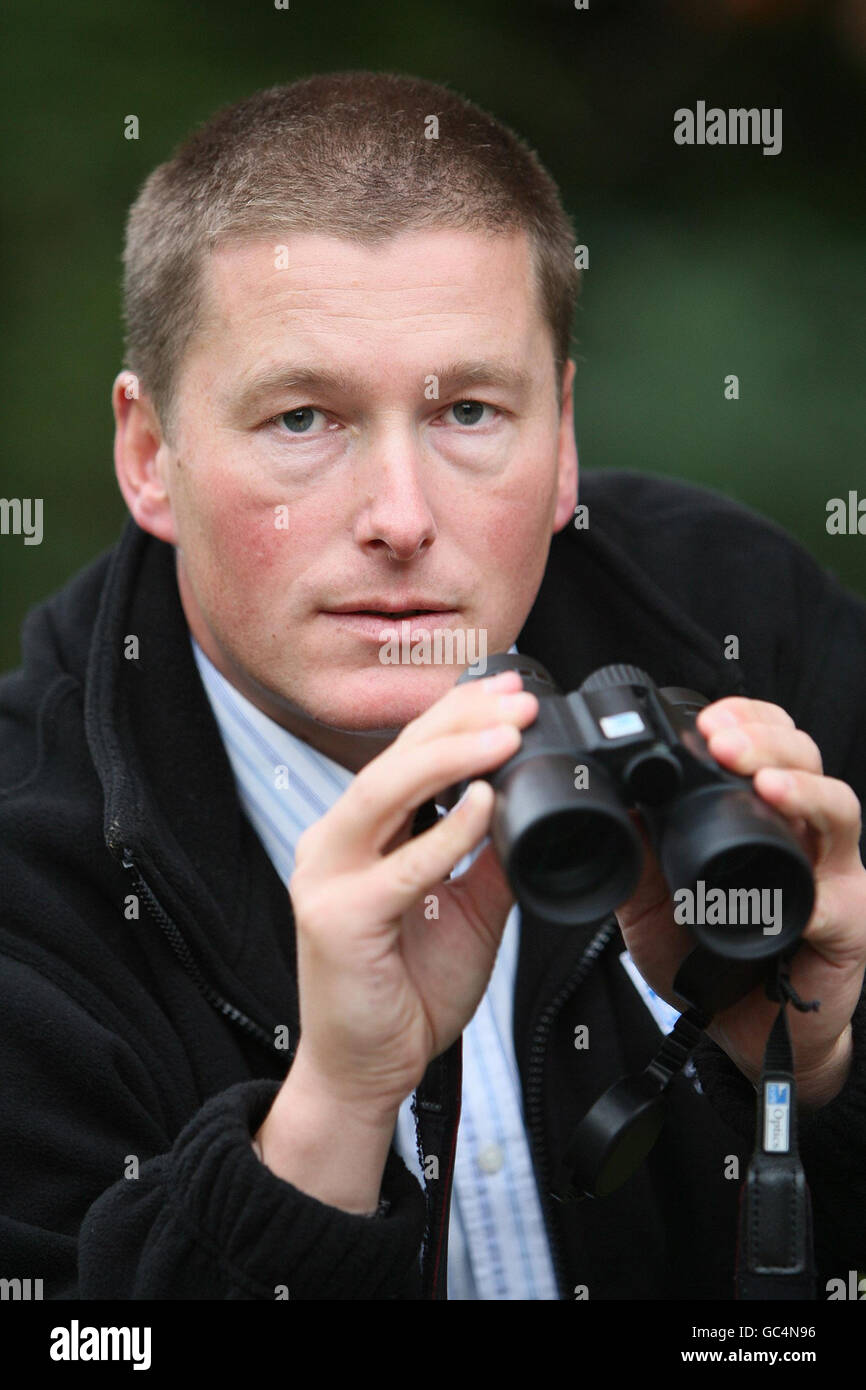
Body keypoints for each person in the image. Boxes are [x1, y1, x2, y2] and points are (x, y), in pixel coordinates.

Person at [1, 70, 864, 1302]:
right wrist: (329, 1123)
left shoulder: (744, 629)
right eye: (303, 419)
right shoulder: (29, 893)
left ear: (561, 434)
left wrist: (820, 1066)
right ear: (151, 455)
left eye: (467, 409)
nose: (399, 521)